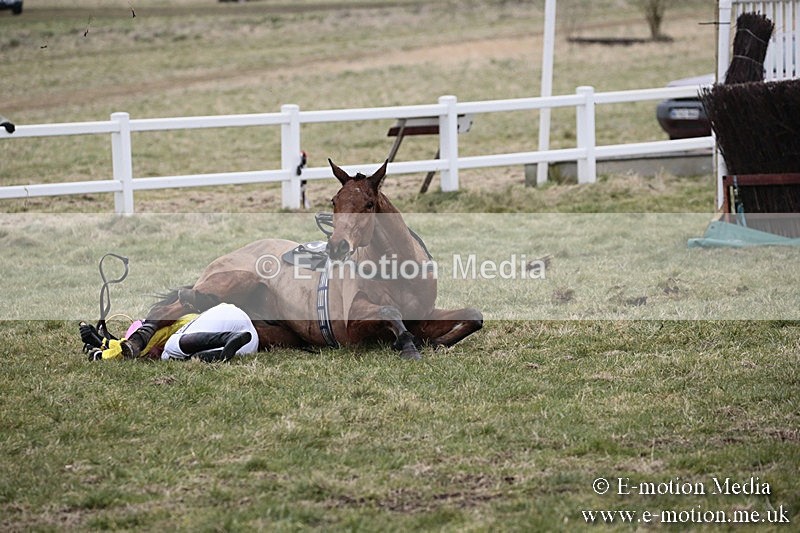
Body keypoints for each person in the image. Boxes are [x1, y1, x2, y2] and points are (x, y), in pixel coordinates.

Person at [81, 303, 258, 362]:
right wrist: (101, 343)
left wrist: (102, 354)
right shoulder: (190, 322)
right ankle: (222, 350)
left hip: (227, 322)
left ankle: (227, 339)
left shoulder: (162, 332)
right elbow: (122, 346)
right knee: (188, 358)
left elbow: (127, 350)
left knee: (171, 348)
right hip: (249, 343)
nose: (147, 356)